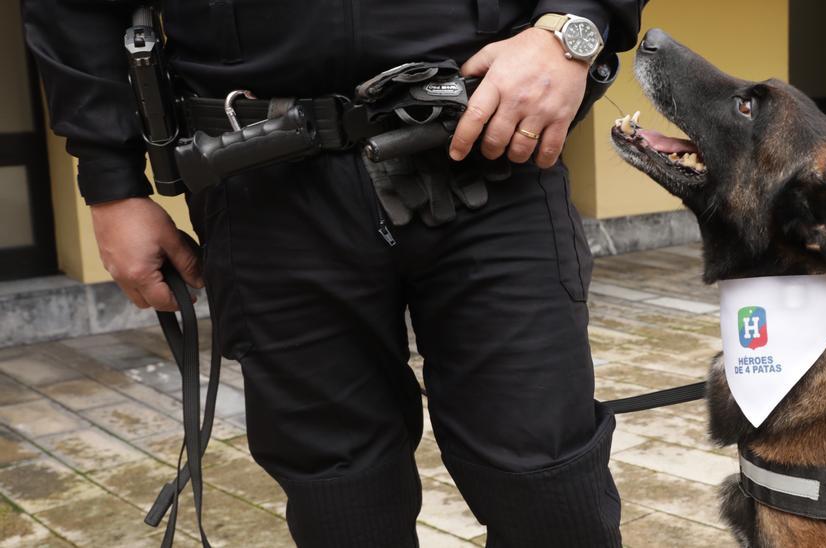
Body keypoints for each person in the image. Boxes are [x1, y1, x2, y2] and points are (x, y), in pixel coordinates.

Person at [22, 1, 644, 546]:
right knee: (340, 499)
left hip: (486, 150)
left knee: (548, 488)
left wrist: (571, 28)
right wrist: (110, 185)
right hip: (259, 178)